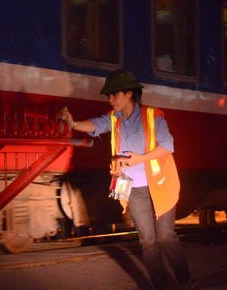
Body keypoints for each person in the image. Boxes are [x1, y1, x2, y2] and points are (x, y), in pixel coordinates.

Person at [60, 69, 191, 290]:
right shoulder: (114, 118)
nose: (110, 100)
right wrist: (73, 124)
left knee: (166, 237)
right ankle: (160, 286)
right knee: (148, 242)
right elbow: (94, 125)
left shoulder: (153, 115)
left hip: (160, 185)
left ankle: (186, 282)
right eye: (108, 96)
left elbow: (168, 146)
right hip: (135, 188)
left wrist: (141, 158)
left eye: (114, 95)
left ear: (129, 94)